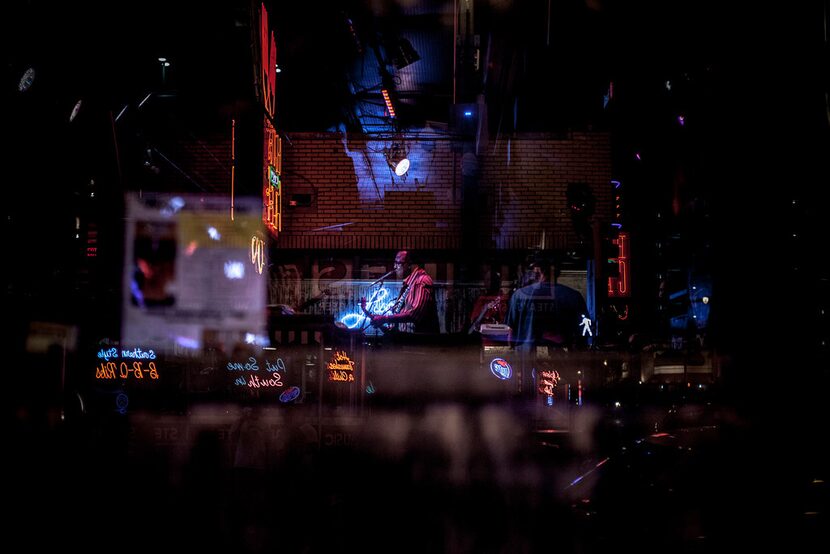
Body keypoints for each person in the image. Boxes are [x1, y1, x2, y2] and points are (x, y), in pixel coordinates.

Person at [505, 256, 590, 351]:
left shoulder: (519, 295)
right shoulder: (573, 296)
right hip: (562, 359)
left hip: (527, 358)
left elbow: (510, 336)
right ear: (557, 273)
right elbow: (584, 333)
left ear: (538, 271)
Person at [361, 250, 440, 334]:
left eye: (398, 263)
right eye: (395, 263)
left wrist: (385, 318)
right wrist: (368, 313)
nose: (395, 266)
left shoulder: (421, 281)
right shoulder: (408, 285)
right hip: (406, 341)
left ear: (409, 264)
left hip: (420, 343)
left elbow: (414, 315)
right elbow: (394, 328)